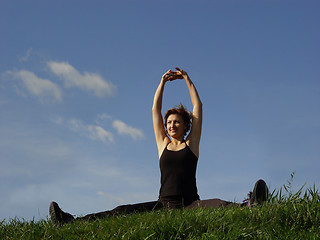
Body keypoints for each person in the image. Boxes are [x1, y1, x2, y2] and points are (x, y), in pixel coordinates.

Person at [49, 67, 269, 224]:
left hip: (191, 204)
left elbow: (198, 106)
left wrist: (186, 79)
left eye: (176, 122)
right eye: (169, 122)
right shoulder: (162, 144)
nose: (171, 125)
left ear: (185, 126)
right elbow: (155, 111)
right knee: (121, 210)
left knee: (219, 203)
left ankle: (251, 204)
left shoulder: (191, 145)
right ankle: (70, 220)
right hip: (163, 204)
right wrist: (162, 83)